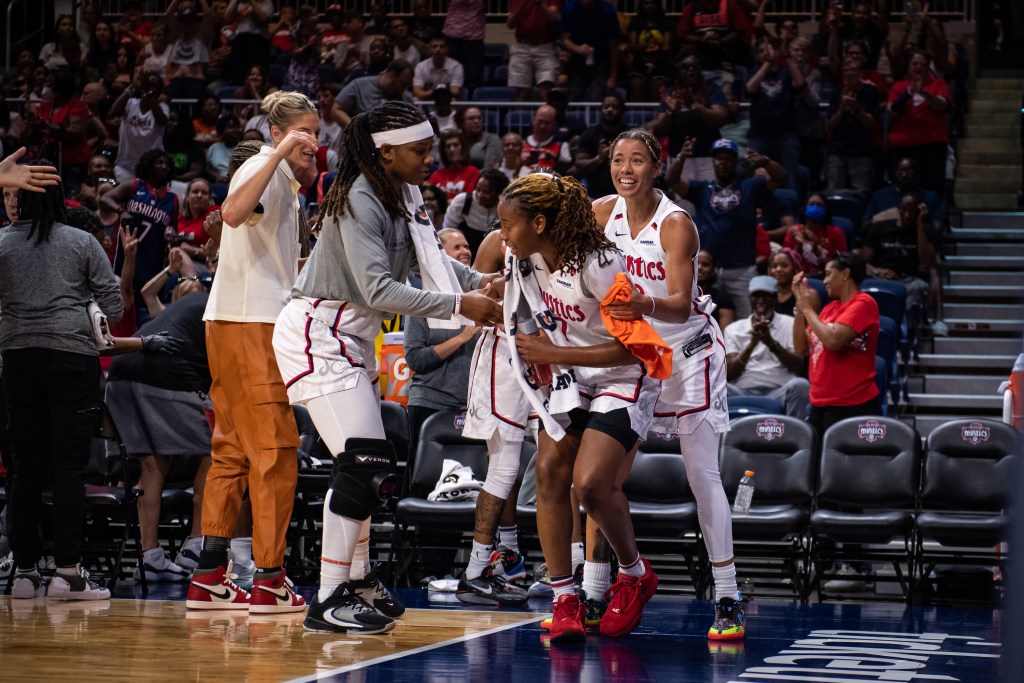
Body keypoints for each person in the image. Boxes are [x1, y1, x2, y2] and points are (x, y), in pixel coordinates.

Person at [272, 101, 503, 634]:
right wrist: (458, 306)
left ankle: (354, 579)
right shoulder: (359, 199)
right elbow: (378, 287)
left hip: (353, 336)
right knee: (364, 463)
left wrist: (478, 283)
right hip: (319, 332)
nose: (429, 159)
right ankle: (329, 597)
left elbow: (436, 267)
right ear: (386, 152)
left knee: (372, 471)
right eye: (420, 151)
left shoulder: (403, 194)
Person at [499, 173, 661, 643]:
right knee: (550, 473)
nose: (503, 235)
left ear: (541, 222)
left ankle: (633, 574)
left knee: (590, 484)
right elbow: (505, 281)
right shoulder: (524, 258)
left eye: (509, 225)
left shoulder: (601, 264)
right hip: (573, 377)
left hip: (622, 375)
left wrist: (552, 354)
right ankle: (564, 598)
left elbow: (633, 350)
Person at [597, 130, 743, 640]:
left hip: (688, 351)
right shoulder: (599, 214)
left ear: (656, 167)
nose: (627, 168)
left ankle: (728, 596)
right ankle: (600, 587)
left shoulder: (675, 224)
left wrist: (642, 304)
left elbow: (680, 301)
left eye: (638, 159)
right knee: (601, 478)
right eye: (619, 160)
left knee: (702, 475)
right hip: (637, 352)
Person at [185, 91, 321, 614]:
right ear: (279, 131)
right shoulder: (262, 164)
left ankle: (209, 577)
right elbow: (233, 212)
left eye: (314, 133)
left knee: (233, 450)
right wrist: (279, 149)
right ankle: (269, 578)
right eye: (303, 131)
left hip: (233, 323)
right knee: (275, 453)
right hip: (251, 326)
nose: (313, 142)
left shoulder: (285, 182)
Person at [1, 164, 122, 601]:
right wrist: (82, 302)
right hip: (72, 359)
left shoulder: (2, 243)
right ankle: (68, 574)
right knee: (69, 467)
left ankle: (24, 573)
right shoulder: (81, 241)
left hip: (17, 359)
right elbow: (115, 305)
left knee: (24, 469)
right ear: (61, 200)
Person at [105, 287, 212, 583]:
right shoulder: (225, 309)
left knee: (152, 462)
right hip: (163, 369)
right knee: (217, 453)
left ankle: (150, 557)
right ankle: (196, 544)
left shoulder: (192, 305)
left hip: (120, 371)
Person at [668, 137, 786, 318]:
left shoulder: (749, 186)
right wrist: (682, 157)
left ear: (735, 162)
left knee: (749, 321)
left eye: (728, 158)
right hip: (706, 271)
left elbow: (781, 178)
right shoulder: (703, 189)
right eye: (718, 158)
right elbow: (672, 180)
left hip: (741, 270)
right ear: (713, 161)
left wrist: (766, 162)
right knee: (698, 320)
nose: (723, 162)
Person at [792, 252, 880, 439]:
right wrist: (800, 309)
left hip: (851, 404)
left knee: (842, 467)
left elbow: (833, 341)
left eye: (828, 274)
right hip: (820, 403)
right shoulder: (829, 308)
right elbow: (800, 348)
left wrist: (807, 308)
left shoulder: (864, 303)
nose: (824, 281)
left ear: (846, 273)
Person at [724, 275, 810, 419]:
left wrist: (770, 342)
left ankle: (796, 436)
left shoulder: (790, 323)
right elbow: (729, 374)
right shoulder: (733, 329)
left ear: (775, 298)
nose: (761, 300)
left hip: (779, 390)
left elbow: (798, 366)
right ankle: (718, 439)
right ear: (749, 299)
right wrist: (753, 343)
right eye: (756, 296)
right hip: (742, 391)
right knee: (713, 387)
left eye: (766, 295)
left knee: (800, 385)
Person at [861, 192, 946, 336]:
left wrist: (920, 226)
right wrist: (877, 271)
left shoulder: (924, 231)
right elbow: (863, 261)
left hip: (909, 280)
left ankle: (914, 333)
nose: (907, 215)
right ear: (898, 209)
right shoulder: (880, 228)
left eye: (912, 211)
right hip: (881, 278)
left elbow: (926, 261)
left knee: (917, 291)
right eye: (904, 210)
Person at [886, 49, 951, 198]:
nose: (918, 67)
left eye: (923, 64)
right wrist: (908, 93)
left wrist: (925, 93)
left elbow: (942, 104)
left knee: (932, 187)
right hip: (903, 146)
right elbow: (892, 109)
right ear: (909, 66)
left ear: (928, 67)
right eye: (915, 63)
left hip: (932, 146)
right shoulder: (899, 87)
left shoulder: (938, 84)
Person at [825, 57, 880, 196]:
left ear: (861, 74)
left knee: (861, 194)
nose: (849, 74)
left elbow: (870, 123)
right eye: (846, 70)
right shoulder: (837, 93)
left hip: (861, 151)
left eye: (853, 70)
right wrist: (841, 108)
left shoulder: (870, 92)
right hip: (837, 150)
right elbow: (829, 127)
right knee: (833, 193)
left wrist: (856, 108)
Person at [442, 168, 508, 256]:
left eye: (486, 192)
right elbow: (446, 234)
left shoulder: (505, 207)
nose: (480, 195)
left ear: (498, 193)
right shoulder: (463, 202)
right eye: (478, 190)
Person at [332, 59, 415, 129]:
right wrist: (356, 130)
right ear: (392, 76)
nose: (405, 89)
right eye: (403, 84)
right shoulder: (358, 85)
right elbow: (337, 109)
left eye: (407, 85)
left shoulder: (406, 98)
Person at [783, 192, 849, 279]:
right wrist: (799, 245)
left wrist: (816, 250)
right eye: (811, 204)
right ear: (805, 209)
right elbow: (786, 261)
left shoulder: (836, 233)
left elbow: (841, 265)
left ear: (825, 210)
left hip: (826, 278)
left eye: (819, 205)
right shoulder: (794, 231)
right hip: (797, 278)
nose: (815, 207)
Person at [575, 92, 628, 199]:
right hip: (595, 197)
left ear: (622, 111)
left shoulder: (631, 136)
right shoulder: (590, 134)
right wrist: (599, 158)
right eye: (606, 107)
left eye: (615, 107)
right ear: (601, 109)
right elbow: (579, 165)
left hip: (626, 196)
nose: (609, 110)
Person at [507, 0, 562, 102]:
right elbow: (510, 24)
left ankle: (546, 116)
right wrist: (522, 6)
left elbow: (552, 19)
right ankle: (522, 116)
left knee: (546, 91)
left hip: (545, 47)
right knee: (522, 93)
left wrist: (539, 4)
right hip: (521, 46)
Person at [429, 131, 480, 201]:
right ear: (443, 151)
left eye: (456, 145)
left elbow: (467, 200)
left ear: (463, 148)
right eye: (448, 146)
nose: (451, 149)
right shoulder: (436, 175)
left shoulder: (472, 172)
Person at [522, 105, 572, 174]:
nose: (542, 126)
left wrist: (555, 159)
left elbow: (568, 173)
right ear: (533, 120)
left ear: (554, 125)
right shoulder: (521, 144)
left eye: (547, 123)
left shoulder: (562, 146)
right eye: (540, 121)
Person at [412, 34, 465, 100]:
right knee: (415, 99)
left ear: (447, 49)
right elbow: (417, 92)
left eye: (442, 46)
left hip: (447, 100)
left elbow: (455, 91)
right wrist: (437, 92)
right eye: (434, 47)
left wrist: (437, 92)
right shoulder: (421, 67)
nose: (438, 49)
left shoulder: (456, 66)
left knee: (454, 99)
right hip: (428, 99)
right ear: (429, 49)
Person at [697, 249, 736, 329]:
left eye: (705, 265)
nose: (699, 267)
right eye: (696, 263)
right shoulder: (680, 293)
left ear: (713, 271)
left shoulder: (723, 297)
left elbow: (725, 332)